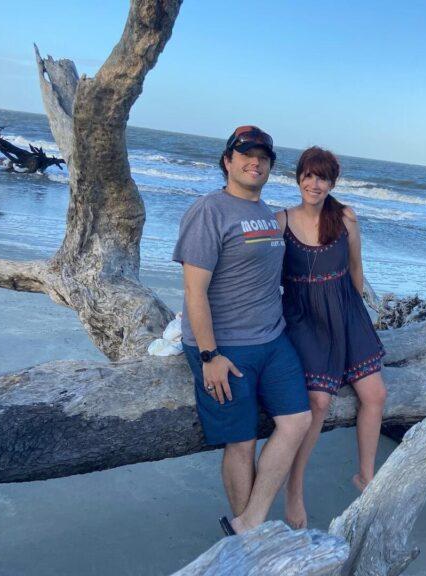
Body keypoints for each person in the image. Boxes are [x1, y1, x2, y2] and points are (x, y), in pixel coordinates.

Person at [173, 126, 312, 536]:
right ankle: (251, 537)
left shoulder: (267, 212)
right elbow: (193, 291)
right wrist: (208, 356)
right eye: (246, 154)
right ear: (228, 161)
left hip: (273, 340)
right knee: (242, 440)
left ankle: (248, 523)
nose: (256, 162)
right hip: (225, 346)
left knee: (297, 422)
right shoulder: (209, 211)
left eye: (264, 157)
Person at [278, 146, 388, 529]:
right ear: (298, 178)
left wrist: (357, 323)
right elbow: (261, 278)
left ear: (331, 183)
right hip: (304, 319)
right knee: (319, 402)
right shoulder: (280, 221)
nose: (314, 183)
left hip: (346, 313)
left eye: (321, 177)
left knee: (375, 395)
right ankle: (294, 489)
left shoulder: (344, 218)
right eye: (307, 175)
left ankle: (365, 475)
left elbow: (356, 269)